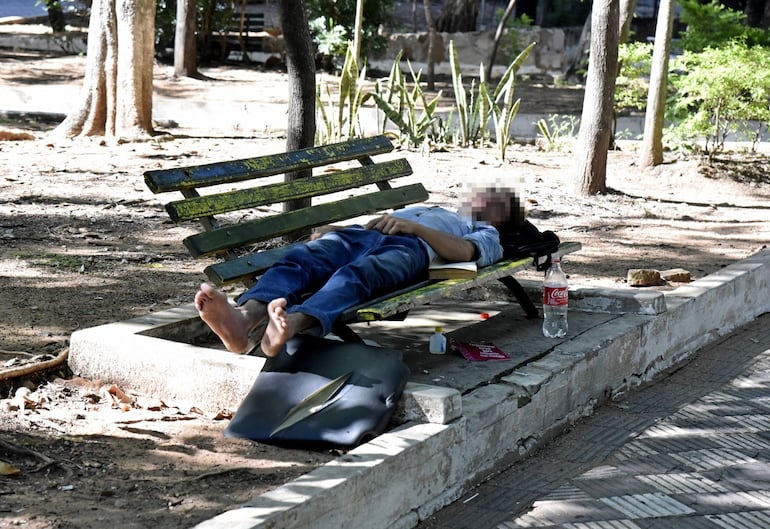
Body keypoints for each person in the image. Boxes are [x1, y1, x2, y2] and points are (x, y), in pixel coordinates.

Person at [195, 185, 523, 358]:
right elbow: (377, 224)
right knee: (301, 259)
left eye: (494, 200)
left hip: (409, 250)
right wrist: (338, 228)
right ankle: (245, 318)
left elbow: (466, 253)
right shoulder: (436, 208)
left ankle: (292, 324)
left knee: (357, 276)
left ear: (500, 215)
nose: (481, 197)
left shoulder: (486, 232)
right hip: (361, 235)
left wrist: (416, 230)